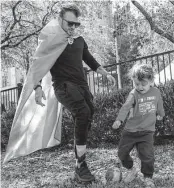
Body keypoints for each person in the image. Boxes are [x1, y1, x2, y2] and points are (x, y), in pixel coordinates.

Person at [33, 4, 116, 182]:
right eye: (69, 23)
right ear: (60, 20)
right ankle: (81, 165)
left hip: (81, 85)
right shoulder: (51, 41)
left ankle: (79, 163)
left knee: (89, 113)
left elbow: (90, 60)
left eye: (75, 24)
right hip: (63, 86)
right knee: (83, 112)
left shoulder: (79, 40)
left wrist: (105, 73)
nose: (72, 27)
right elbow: (38, 64)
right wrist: (37, 87)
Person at [112, 63, 165, 188]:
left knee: (147, 156)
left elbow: (159, 104)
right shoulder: (134, 94)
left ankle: (148, 178)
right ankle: (131, 168)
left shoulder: (156, 92)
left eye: (143, 84)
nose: (140, 87)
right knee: (122, 154)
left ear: (151, 81)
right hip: (130, 131)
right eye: (136, 84)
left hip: (147, 131)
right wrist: (119, 120)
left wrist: (161, 114)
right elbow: (126, 107)